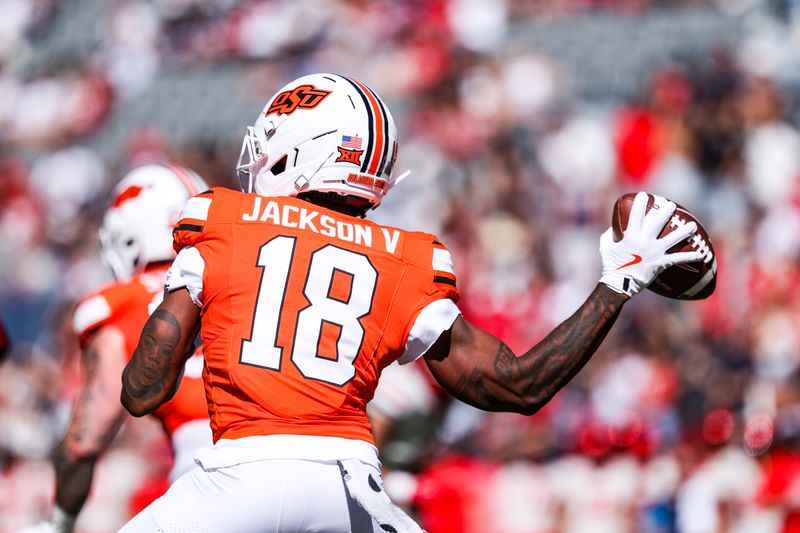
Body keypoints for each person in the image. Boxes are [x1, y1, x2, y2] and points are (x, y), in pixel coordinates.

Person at [119, 73, 710, 533]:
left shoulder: (222, 219)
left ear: (300, 150)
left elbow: (142, 392)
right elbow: (518, 386)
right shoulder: (405, 257)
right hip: (348, 487)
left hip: (234, 479)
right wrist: (617, 283)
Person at [44, 164, 212, 533]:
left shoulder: (120, 302)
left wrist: (59, 524)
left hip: (213, 475)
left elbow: (82, 446)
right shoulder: (250, 273)